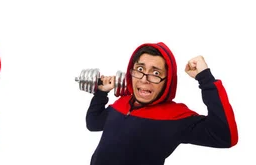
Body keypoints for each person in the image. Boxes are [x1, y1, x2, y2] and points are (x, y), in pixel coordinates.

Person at [85, 42, 239, 165]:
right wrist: (101, 93)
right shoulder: (122, 102)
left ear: (168, 81)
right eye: (140, 69)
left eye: (156, 73)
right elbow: (93, 123)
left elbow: (225, 136)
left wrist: (205, 79)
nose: (144, 79)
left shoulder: (176, 117)